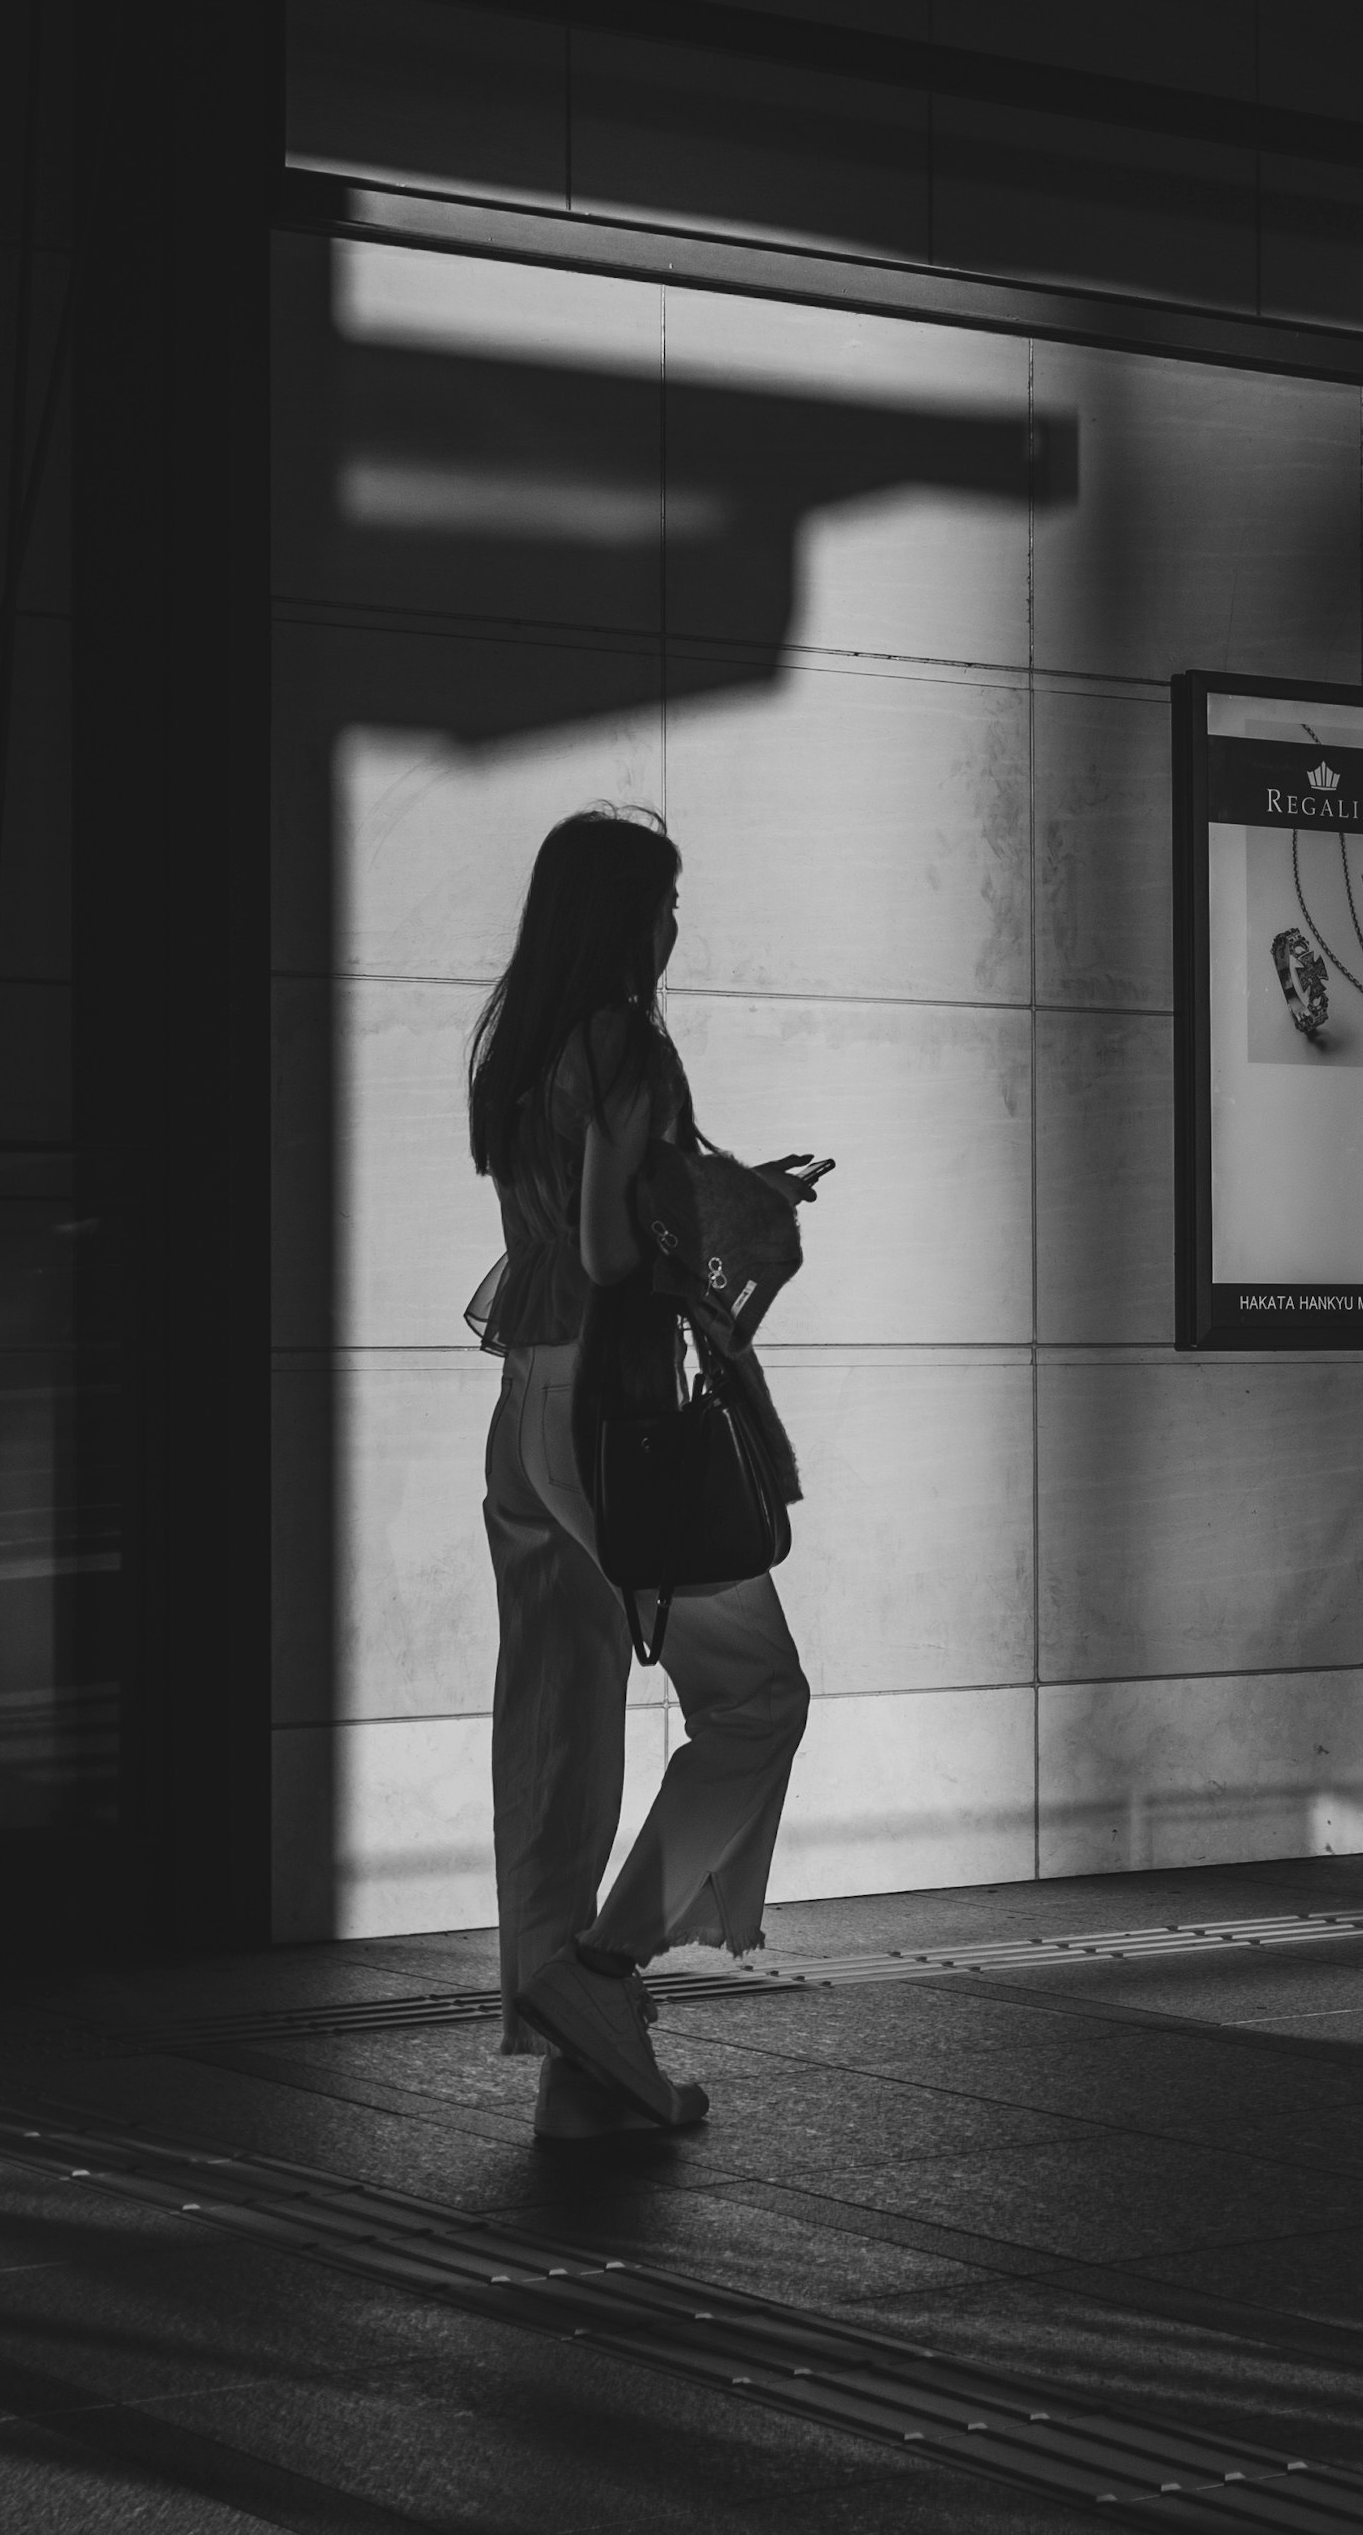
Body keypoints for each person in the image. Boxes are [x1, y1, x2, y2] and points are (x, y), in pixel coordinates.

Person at [464, 808, 823, 2139]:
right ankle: (601, 1967)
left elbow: (580, 1214)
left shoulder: (521, 1043)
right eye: (665, 904)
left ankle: (585, 2071)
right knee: (756, 1704)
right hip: (612, 1412)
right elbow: (622, 1251)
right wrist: (727, 1220)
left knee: (557, 1721)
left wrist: (718, 1181)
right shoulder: (624, 1034)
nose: (677, 928)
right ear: (623, 918)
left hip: (526, 1400)